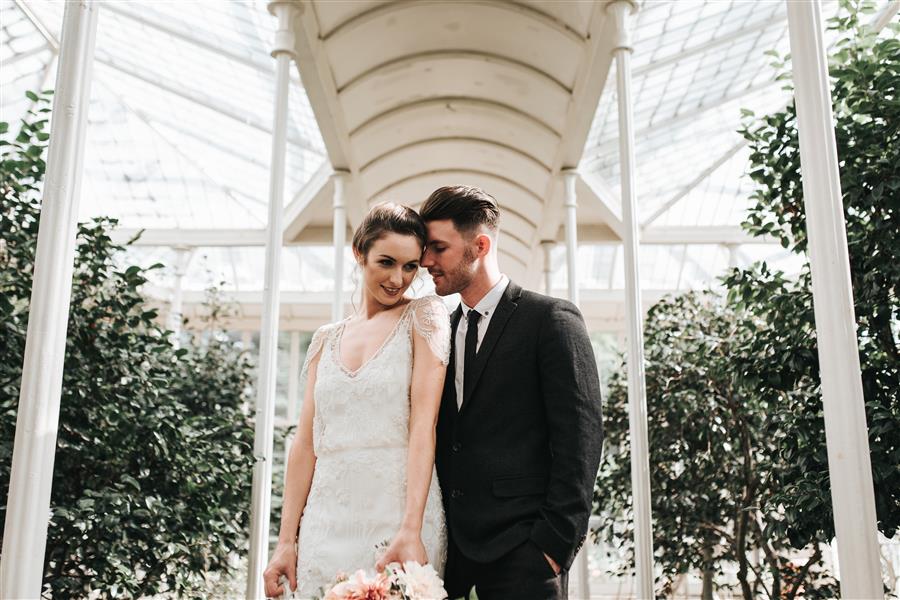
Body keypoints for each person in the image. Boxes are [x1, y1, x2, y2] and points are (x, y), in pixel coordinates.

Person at [419, 185, 604, 600]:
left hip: (526, 554)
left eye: (438, 248)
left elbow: (581, 440)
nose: (426, 261)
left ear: (479, 245)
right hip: (448, 556)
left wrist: (553, 546)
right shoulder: (439, 331)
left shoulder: (551, 320)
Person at [263, 203, 450, 599]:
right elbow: (305, 443)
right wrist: (285, 541)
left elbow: (424, 426)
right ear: (358, 252)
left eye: (411, 266)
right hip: (325, 520)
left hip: (397, 516)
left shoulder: (425, 316)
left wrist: (411, 529)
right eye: (386, 262)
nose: (398, 279)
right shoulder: (324, 339)